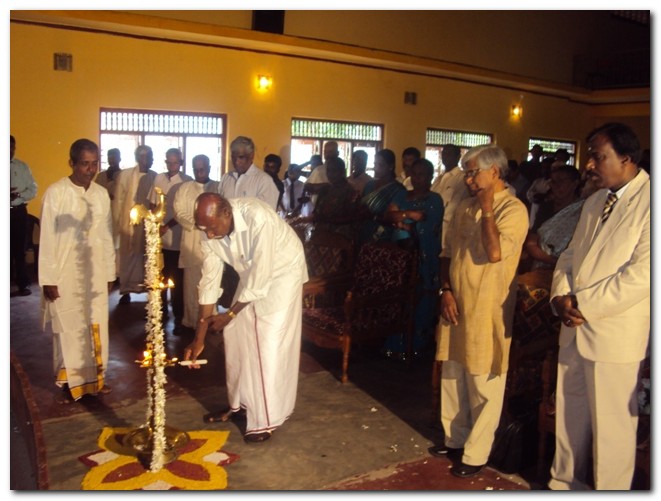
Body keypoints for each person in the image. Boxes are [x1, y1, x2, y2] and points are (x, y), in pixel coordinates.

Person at [548, 123, 650, 490]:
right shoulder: (595, 201)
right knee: (570, 414)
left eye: (597, 156)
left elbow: (642, 274)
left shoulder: (650, 202)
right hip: (573, 325)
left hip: (613, 330)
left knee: (612, 428)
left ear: (626, 158)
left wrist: (582, 304)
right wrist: (560, 296)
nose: (589, 164)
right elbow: (570, 255)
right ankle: (564, 484)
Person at [430, 144, 528, 478]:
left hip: (487, 308)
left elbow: (495, 252)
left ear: (494, 171)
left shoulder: (513, 210)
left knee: (483, 381)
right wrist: (445, 290)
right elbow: (446, 254)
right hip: (455, 302)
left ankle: (476, 452)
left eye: (473, 173)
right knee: (453, 374)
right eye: (466, 173)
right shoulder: (463, 206)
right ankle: (455, 439)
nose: (468, 180)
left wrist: (487, 209)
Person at [183, 193, 308, 443]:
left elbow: (261, 281)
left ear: (226, 214)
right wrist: (199, 339)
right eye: (204, 229)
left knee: (267, 340)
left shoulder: (258, 218)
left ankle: (266, 420)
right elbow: (209, 283)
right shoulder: (209, 230)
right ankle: (240, 405)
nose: (209, 235)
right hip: (252, 273)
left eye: (212, 228)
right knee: (235, 332)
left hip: (284, 272)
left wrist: (229, 313)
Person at [38, 138, 116, 402]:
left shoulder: (100, 194)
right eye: (84, 164)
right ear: (71, 163)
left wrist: (110, 272)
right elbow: (47, 239)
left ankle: (96, 379)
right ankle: (70, 379)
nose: (90, 170)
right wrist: (48, 279)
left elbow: (106, 235)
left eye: (94, 164)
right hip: (65, 274)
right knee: (70, 326)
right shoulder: (56, 193)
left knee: (97, 325)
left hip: (95, 273)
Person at [382, 158, 443, 356]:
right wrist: (409, 216)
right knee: (399, 300)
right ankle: (394, 345)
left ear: (430, 177)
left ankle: (416, 345)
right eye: (414, 174)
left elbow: (426, 224)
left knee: (422, 298)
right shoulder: (402, 195)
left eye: (422, 174)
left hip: (424, 256)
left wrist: (401, 219)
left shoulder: (434, 200)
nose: (417, 178)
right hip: (400, 257)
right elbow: (388, 216)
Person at [173, 154, 220, 336]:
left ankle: (210, 323)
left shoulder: (217, 187)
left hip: (213, 243)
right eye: (196, 169)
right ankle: (190, 322)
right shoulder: (185, 188)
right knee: (191, 287)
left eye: (203, 168)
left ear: (209, 167)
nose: (199, 172)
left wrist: (210, 224)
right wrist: (197, 223)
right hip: (191, 243)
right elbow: (178, 212)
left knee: (211, 284)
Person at [148, 148, 192, 331]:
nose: (171, 165)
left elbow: (184, 211)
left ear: (180, 163)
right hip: (158, 239)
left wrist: (167, 226)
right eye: (168, 162)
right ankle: (160, 312)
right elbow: (152, 202)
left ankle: (179, 317)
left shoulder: (186, 181)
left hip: (176, 239)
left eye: (175, 162)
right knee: (159, 277)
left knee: (176, 281)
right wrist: (154, 222)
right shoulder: (159, 178)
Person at [113, 145, 157, 304]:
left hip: (147, 224)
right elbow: (118, 200)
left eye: (151, 156)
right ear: (139, 158)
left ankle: (149, 289)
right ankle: (126, 290)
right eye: (147, 156)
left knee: (148, 257)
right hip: (129, 223)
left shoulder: (154, 176)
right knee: (128, 256)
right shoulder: (125, 175)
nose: (150, 159)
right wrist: (118, 223)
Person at [296, 157, 359, 239]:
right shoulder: (326, 189)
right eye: (328, 171)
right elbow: (317, 211)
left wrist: (324, 219)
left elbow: (351, 218)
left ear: (342, 172)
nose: (330, 174)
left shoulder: (350, 191)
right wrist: (305, 219)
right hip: (320, 234)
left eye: (334, 171)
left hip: (340, 237)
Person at [357, 148, 407, 244]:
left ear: (391, 166)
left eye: (380, 165)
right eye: (375, 164)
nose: (376, 168)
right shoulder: (369, 185)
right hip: (364, 232)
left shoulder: (398, 190)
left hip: (384, 237)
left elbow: (396, 219)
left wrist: (373, 216)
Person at [218, 136, 279, 210]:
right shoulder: (226, 178)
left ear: (251, 156)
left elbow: (267, 213)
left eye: (241, 157)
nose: (236, 162)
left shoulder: (264, 181)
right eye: (233, 157)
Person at [10, 135, 38, 296]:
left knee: (19, 249)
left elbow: (33, 189)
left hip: (18, 211)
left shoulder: (22, 167)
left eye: (12, 147)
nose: (10, 150)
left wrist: (19, 196)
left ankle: (22, 284)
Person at [430, 144, 469, 253]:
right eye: (444, 154)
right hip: (432, 227)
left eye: (449, 154)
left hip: (448, 228)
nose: (446, 157)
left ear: (458, 157)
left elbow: (454, 206)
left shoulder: (461, 178)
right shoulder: (439, 178)